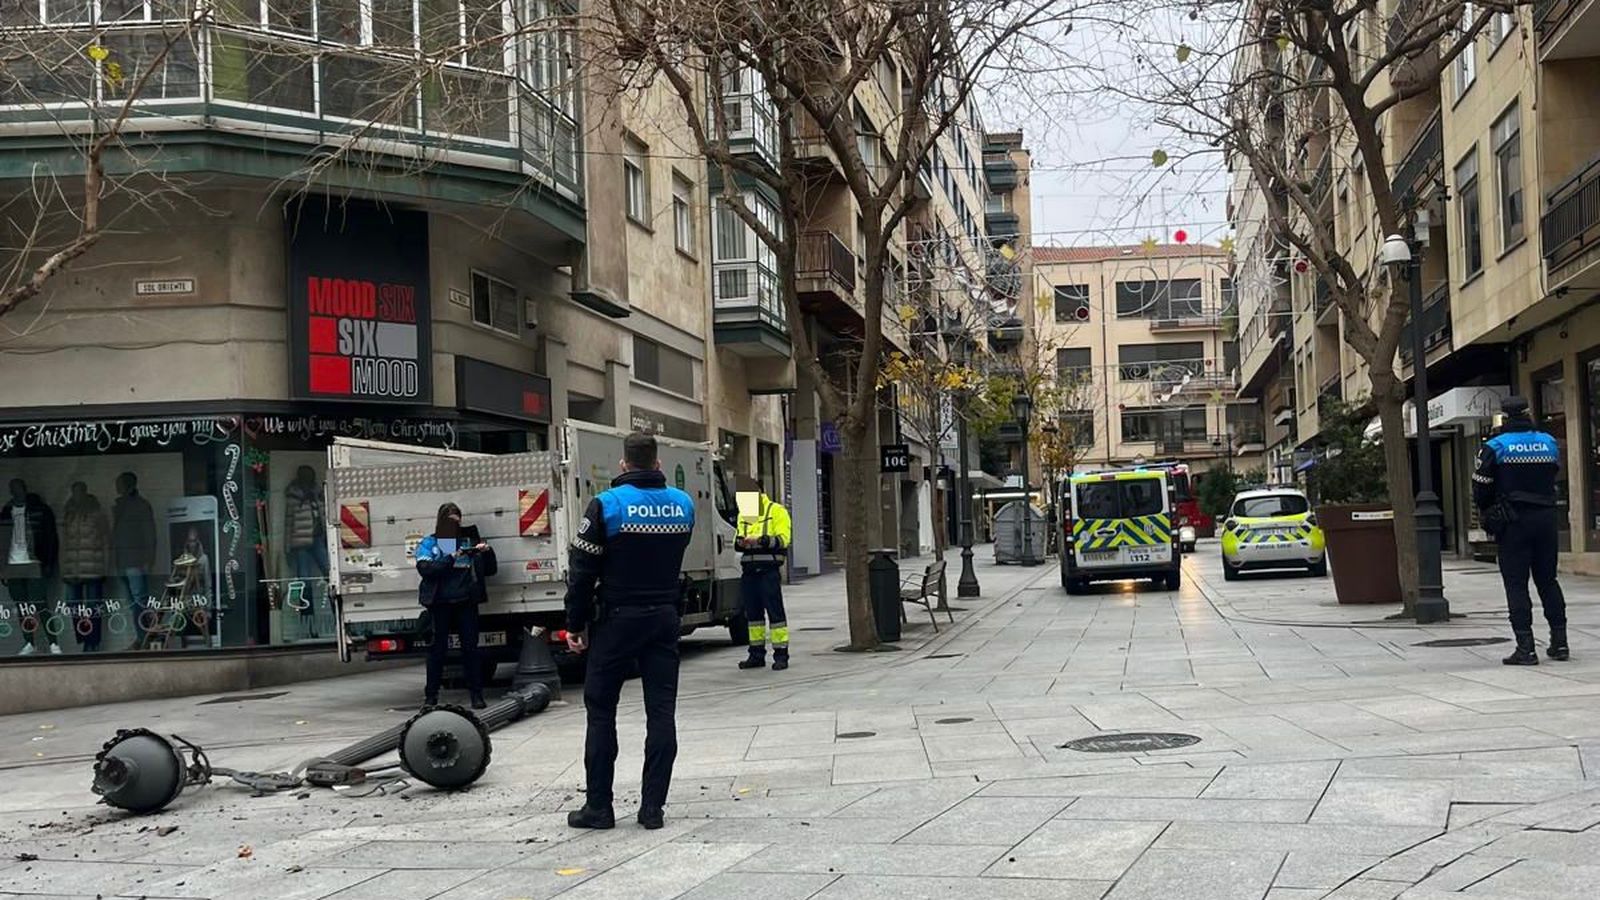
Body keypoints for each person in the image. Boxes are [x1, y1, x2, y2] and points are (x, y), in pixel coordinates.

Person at [564, 432, 694, 831]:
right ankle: (652, 808)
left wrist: (575, 624)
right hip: (664, 617)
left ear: (623, 465)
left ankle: (599, 807)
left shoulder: (607, 505)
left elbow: (582, 573)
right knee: (661, 712)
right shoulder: (683, 505)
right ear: (658, 464)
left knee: (601, 710)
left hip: (617, 619)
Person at [1473, 396, 1568, 666]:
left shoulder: (1495, 446)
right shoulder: (1548, 442)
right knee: (1548, 581)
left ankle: (1526, 648)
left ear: (1504, 417)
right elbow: (1554, 474)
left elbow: (1481, 487)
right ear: (1527, 414)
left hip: (1513, 521)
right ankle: (1560, 642)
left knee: (1516, 584)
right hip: (1546, 519)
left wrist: (1488, 510)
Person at [415, 502, 495, 709]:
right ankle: (431, 696)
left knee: (470, 650)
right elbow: (426, 569)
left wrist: (485, 552)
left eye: (457, 522)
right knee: (437, 652)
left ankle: (476, 695)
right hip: (439, 603)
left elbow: (490, 570)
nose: (453, 527)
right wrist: (451, 558)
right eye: (449, 522)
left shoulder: (467, 541)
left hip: (465, 601)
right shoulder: (430, 542)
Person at [735, 482, 792, 671]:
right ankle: (756, 654)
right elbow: (737, 540)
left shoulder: (777, 511)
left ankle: (781, 655)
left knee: (775, 614)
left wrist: (761, 540)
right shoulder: (744, 514)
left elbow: (783, 539)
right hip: (749, 571)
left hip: (768, 571)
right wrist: (742, 542)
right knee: (753, 616)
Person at [3, 479, 59, 656]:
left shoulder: (39, 509)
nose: (16, 492)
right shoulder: (6, 511)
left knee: (40, 603)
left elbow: (51, 537)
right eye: (12, 489)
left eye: (18, 489)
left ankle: (53, 642)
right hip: (13, 564)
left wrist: (48, 563)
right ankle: (29, 642)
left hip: (34, 563)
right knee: (22, 607)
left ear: (25, 489)